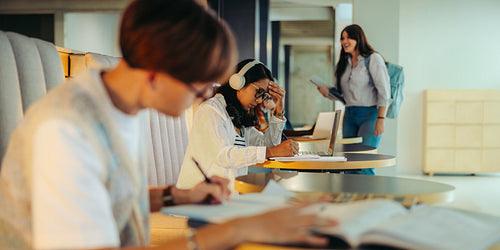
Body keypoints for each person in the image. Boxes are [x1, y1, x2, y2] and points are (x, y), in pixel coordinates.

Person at [0, 0, 335, 249]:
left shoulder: (117, 105)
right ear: (155, 73)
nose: (207, 94)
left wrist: (181, 196)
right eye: (199, 84)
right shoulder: (66, 130)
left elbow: (111, 197)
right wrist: (236, 229)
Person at [177, 59, 299, 193]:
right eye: (259, 92)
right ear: (238, 82)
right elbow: (222, 155)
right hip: (198, 198)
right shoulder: (211, 110)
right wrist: (271, 151)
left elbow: (268, 143)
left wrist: (279, 110)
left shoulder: (238, 117)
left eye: (263, 96)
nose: (259, 100)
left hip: (226, 195)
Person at [317, 24, 391, 175]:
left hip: (370, 115)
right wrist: (328, 93)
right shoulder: (344, 63)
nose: (344, 41)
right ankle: (352, 197)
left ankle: (369, 197)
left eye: (348, 37)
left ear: (358, 38)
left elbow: (384, 92)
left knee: (363, 162)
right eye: (342, 38)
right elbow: (344, 96)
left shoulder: (373, 59)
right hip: (349, 115)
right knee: (349, 163)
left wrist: (381, 118)